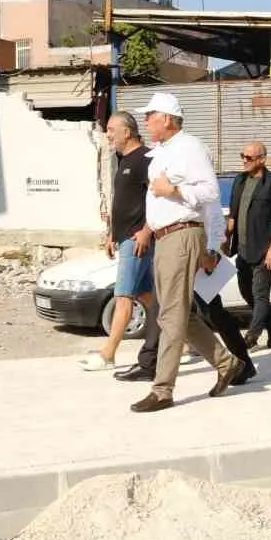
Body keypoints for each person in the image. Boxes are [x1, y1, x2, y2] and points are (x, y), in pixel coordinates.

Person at [129, 91, 241, 412]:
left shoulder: (190, 147)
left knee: (173, 314)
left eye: (151, 115)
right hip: (164, 237)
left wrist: (174, 190)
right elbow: (158, 199)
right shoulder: (162, 151)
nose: (147, 121)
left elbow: (209, 191)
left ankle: (163, 389)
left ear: (167, 118)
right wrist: (149, 227)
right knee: (173, 312)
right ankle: (225, 362)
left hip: (182, 235)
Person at [83, 111, 155, 373]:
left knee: (123, 295)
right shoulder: (123, 160)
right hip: (124, 237)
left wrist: (147, 230)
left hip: (138, 239)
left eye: (112, 129)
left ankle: (108, 353)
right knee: (148, 296)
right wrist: (112, 232)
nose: (108, 134)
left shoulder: (145, 159)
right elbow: (121, 202)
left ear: (127, 131)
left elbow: (156, 200)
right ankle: (182, 340)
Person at [227, 142, 271, 350]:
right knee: (246, 292)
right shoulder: (239, 181)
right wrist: (224, 239)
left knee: (260, 294)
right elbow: (233, 216)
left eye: (249, 157)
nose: (244, 160)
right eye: (242, 156)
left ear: (262, 159)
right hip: (243, 250)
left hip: (264, 250)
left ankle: (251, 337)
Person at [198, 194, 258, 385]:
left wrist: (213, 252)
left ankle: (242, 363)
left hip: (202, 256)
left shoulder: (198, 179)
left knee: (213, 313)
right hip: (183, 251)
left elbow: (214, 214)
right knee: (206, 313)